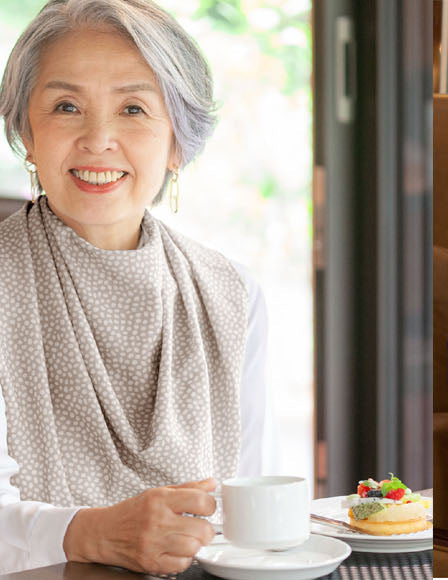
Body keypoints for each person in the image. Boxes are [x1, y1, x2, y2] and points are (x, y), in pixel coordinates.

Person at [0, 0, 268, 574]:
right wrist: (86, 534)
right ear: (26, 130)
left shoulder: (233, 294)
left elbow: (244, 509)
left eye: (134, 109)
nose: (99, 139)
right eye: (66, 106)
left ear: (177, 142)